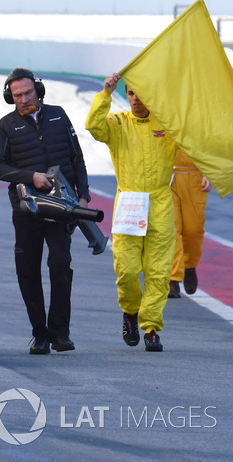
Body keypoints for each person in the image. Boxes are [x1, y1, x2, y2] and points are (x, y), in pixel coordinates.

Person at [0, 68, 89, 355]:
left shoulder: (58, 115)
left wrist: (84, 197)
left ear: (39, 91)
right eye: (17, 95)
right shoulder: (6, 125)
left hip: (63, 209)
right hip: (27, 210)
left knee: (60, 266)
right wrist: (29, 176)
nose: (23, 99)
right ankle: (40, 334)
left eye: (27, 93)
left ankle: (60, 333)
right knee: (27, 271)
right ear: (11, 97)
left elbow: (77, 158)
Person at [86, 73, 177, 352]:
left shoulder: (168, 124)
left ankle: (151, 328)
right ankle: (130, 312)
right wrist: (105, 94)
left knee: (158, 271)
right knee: (126, 270)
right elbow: (93, 126)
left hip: (160, 202)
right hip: (130, 202)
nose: (136, 99)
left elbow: (198, 132)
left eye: (141, 93)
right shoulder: (118, 123)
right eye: (131, 93)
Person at [169, 150, 211, 298]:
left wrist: (210, 172)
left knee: (193, 230)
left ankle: (190, 265)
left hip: (195, 177)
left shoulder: (202, 125)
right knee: (172, 229)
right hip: (167, 177)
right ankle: (173, 278)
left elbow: (211, 143)